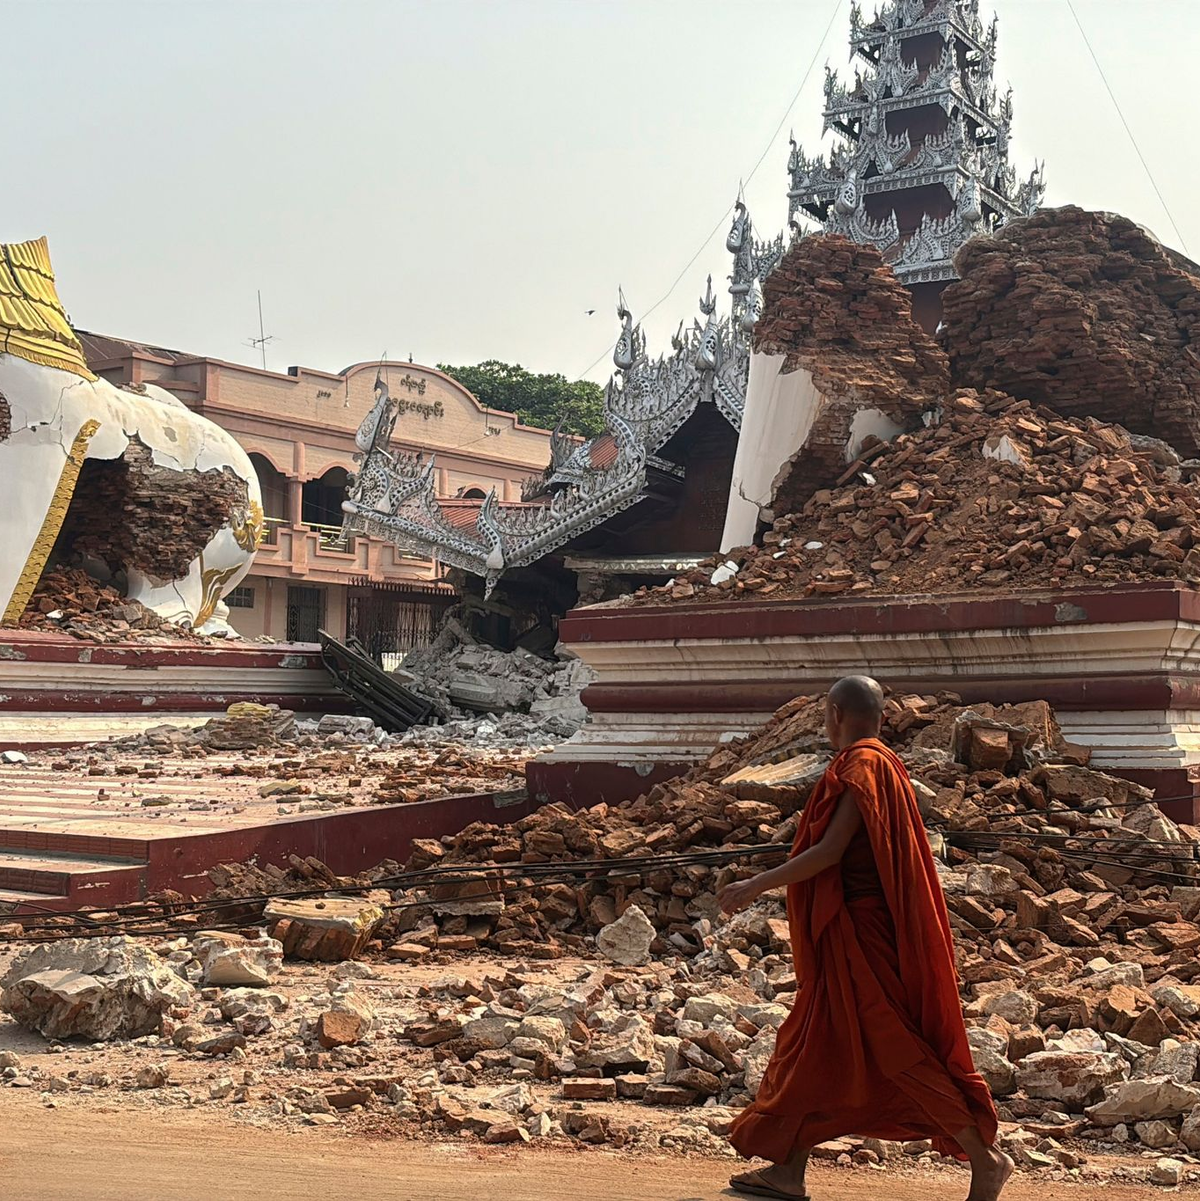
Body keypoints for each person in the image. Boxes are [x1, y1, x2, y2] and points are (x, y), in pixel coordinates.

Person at [718, 675, 1011, 1201]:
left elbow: (830, 852)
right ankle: (787, 1171)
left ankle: (985, 1158)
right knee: (810, 1048)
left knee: (896, 1050)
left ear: (833, 713)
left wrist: (755, 884)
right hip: (850, 936)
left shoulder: (862, 765)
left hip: (860, 940)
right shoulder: (884, 763)